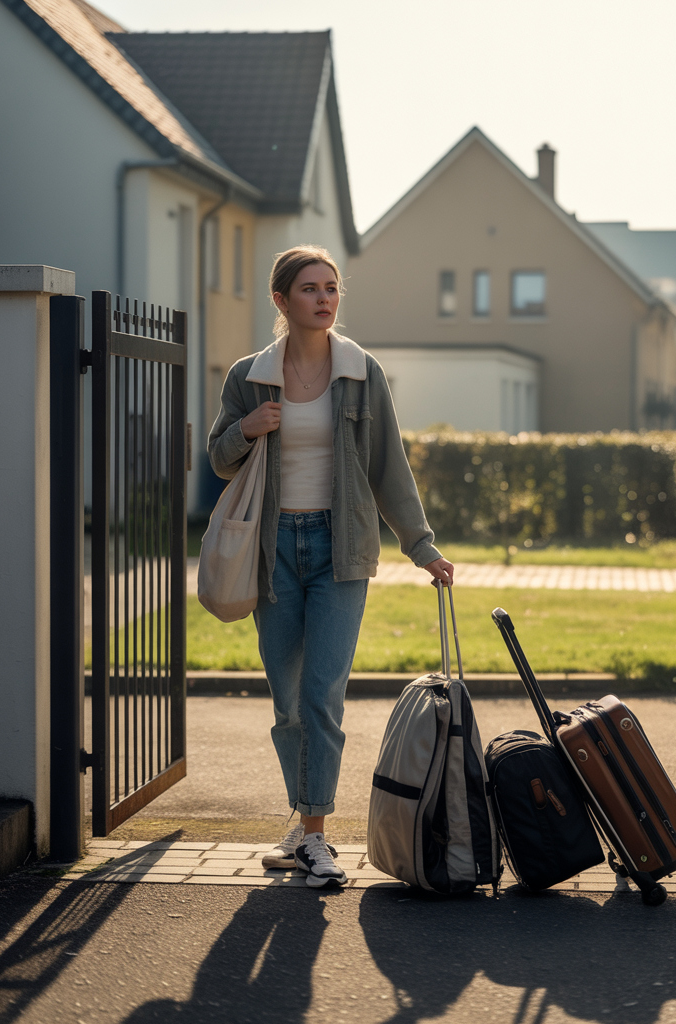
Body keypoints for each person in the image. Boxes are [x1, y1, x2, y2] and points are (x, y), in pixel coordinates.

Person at [208, 244, 454, 888]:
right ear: (282, 300)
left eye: (332, 287)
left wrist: (421, 544)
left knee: (322, 695)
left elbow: (387, 467)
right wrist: (249, 428)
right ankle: (302, 820)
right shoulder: (248, 376)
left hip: (339, 549)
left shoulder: (360, 372)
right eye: (311, 288)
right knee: (288, 702)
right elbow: (217, 459)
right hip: (272, 550)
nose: (324, 298)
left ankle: (316, 837)